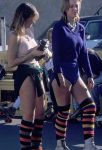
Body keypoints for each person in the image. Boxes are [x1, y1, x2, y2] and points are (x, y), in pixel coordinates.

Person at [51, 0, 99, 150]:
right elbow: (56, 53)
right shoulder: (58, 27)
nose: (74, 8)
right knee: (64, 112)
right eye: (71, 6)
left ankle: (88, 144)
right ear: (65, 9)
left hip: (75, 73)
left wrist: (90, 75)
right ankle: (60, 144)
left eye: (76, 5)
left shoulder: (81, 28)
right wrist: (59, 74)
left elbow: (84, 54)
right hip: (61, 73)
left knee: (90, 106)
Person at [7, 3, 52, 150]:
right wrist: (32, 54)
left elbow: (32, 55)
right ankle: (26, 147)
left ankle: (36, 145)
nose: (33, 22)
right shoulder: (15, 35)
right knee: (29, 114)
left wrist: (42, 53)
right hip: (24, 74)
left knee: (40, 112)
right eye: (31, 19)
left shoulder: (30, 31)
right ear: (24, 18)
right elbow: (11, 63)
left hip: (36, 70)